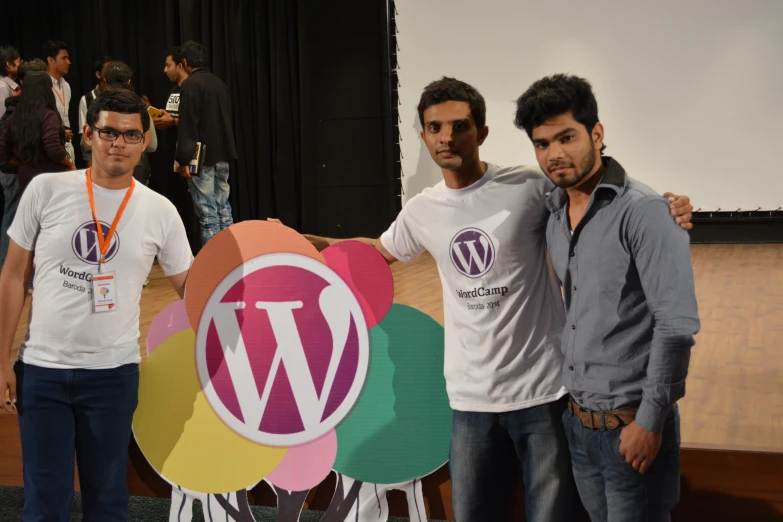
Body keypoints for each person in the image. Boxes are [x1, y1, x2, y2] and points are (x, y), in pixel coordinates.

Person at [284, 77, 693, 522]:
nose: (446, 137)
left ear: (480, 133)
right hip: (470, 401)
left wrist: (670, 208)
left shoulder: (531, 187)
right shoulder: (421, 210)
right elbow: (380, 251)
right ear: (422, 137)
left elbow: (598, 196)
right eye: (434, 128)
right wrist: (316, 244)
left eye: (459, 125)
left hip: (545, 393)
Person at [0, 88, 193, 521]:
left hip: (113, 375)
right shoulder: (45, 190)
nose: (117, 144)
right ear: (88, 134)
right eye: (108, 131)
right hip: (42, 373)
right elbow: (12, 276)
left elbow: (193, 289)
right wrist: (0, 360)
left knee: (107, 502)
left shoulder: (160, 211)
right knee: (44, 503)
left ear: (145, 141)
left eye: (130, 135)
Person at [515, 73, 700, 521]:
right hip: (579, 426)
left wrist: (650, 422)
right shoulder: (555, 213)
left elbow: (676, 327)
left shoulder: (645, 211)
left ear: (596, 134)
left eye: (567, 137)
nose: (555, 154)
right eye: (542, 143)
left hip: (632, 430)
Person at [176, 40, 236, 246]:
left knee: (208, 214)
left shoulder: (191, 84)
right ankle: (231, 261)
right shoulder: (219, 83)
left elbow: (188, 125)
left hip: (201, 157)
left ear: (184, 62)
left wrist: (183, 159)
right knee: (223, 210)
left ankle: (216, 266)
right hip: (223, 152)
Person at [0, 60, 49, 273]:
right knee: (14, 219)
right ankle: (8, 269)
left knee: (26, 220)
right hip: (17, 170)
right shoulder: (16, 107)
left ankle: (24, 272)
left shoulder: (20, 105)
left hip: (21, 168)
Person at [0, 71, 75, 191]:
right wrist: (69, 163)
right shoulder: (48, 115)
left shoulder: (16, 115)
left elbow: (2, 148)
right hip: (50, 176)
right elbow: (53, 148)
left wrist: (21, 163)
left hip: (25, 177)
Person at [78, 55, 113, 166]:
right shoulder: (87, 100)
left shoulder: (121, 97)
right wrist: (90, 165)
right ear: (98, 74)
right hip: (98, 159)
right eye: (107, 70)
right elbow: (85, 136)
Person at [42, 41, 74, 164]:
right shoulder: (43, 86)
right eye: (64, 58)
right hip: (52, 148)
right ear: (51, 60)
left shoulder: (66, 85)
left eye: (68, 58)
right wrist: (60, 134)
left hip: (67, 146)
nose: (68, 62)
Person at [0, 46, 21, 119]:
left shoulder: (12, 86)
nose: (22, 65)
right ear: (8, 65)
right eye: (19, 62)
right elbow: (2, 119)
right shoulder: (2, 87)